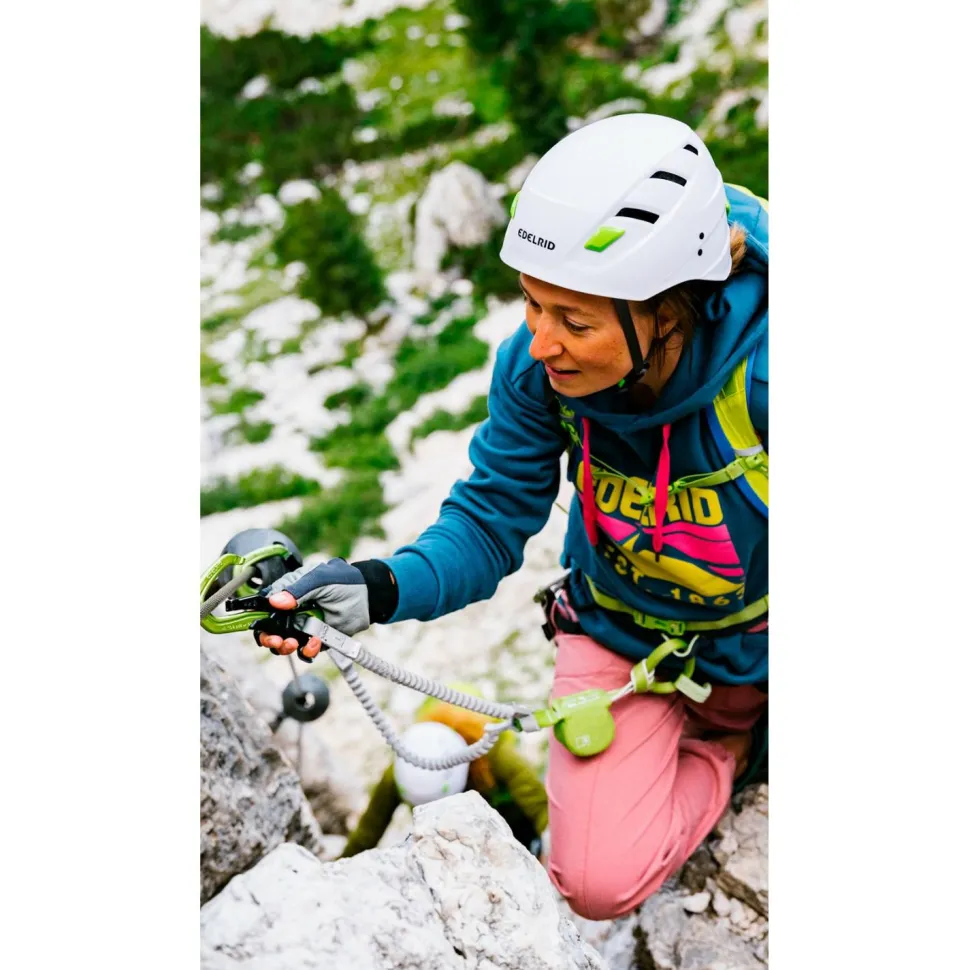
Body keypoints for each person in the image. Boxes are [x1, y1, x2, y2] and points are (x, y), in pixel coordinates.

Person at [255, 113, 768, 921]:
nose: (539, 343)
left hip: (763, 639)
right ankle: (728, 753)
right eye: (532, 304)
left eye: (574, 321)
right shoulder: (536, 378)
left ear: (669, 310)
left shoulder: (766, 379)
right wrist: (375, 587)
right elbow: (490, 520)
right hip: (623, 633)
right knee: (595, 884)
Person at [339, 686, 549, 859]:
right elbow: (368, 831)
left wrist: (550, 856)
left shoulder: (495, 752)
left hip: (509, 813)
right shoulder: (403, 771)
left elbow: (540, 807)